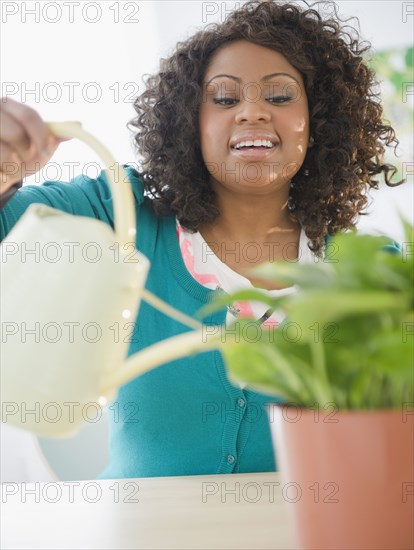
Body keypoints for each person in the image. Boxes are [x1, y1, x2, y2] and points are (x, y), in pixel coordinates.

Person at [0, 0, 403, 479]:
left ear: (318, 124)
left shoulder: (370, 271)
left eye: (278, 97)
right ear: (191, 122)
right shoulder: (117, 214)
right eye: (225, 99)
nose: (252, 112)